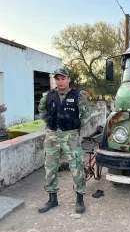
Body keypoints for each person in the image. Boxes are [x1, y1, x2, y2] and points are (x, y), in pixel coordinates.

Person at [37, 68, 90, 214]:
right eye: (57, 79)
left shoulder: (78, 96)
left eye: (63, 78)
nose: (60, 82)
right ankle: (52, 199)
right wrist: (50, 123)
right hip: (52, 136)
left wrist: (76, 127)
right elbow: (42, 110)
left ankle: (80, 199)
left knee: (76, 166)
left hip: (70, 136)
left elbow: (86, 114)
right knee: (50, 167)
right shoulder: (48, 95)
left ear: (68, 79)